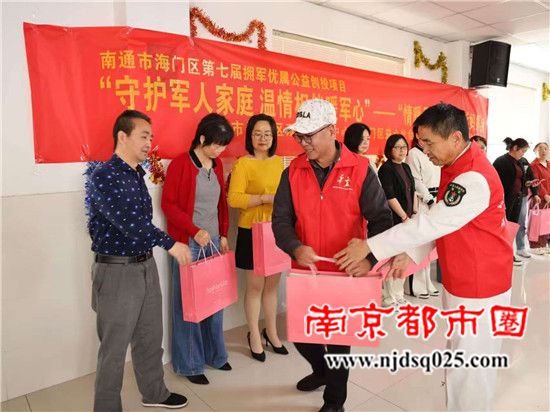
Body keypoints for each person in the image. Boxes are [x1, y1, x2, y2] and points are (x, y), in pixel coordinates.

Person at [335, 103, 514, 411]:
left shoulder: (473, 177)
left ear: (455, 138)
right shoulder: (458, 165)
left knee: (471, 372)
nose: (423, 151)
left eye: (429, 143)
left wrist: (370, 247)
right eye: (420, 143)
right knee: (461, 361)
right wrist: (411, 253)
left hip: (481, 286)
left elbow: (431, 223)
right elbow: (443, 222)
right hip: (465, 280)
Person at [272, 99, 393, 412]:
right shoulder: (293, 171)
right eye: (299, 135)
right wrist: (295, 247)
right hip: (307, 270)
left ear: (331, 131)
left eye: (309, 135)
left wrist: (369, 260)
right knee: (302, 334)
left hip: (345, 272)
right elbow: (280, 220)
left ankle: (334, 401)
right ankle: (322, 371)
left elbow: (381, 220)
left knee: (339, 340)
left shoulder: (360, 169)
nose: (303, 142)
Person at [87, 110, 191, 411]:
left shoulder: (136, 174)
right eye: (144, 136)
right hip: (117, 271)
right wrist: (170, 243)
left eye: (151, 137)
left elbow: (141, 224)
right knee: (114, 349)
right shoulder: (104, 175)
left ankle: (154, 393)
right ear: (123, 136)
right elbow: (129, 223)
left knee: (149, 337)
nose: (149, 143)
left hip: (145, 265)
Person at [161, 113, 234, 385]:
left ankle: (216, 355)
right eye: (216, 144)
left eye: (223, 145)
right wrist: (194, 231)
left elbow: (221, 204)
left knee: (214, 301)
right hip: (189, 243)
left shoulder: (217, 165)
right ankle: (190, 364)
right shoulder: (181, 164)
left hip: (213, 242)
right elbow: (169, 205)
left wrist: (223, 233)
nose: (219, 150)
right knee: (188, 305)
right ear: (202, 138)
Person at [227, 113, 287, 362]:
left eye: (268, 134)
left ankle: (271, 332)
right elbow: (234, 198)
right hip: (251, 231)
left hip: (276, 230)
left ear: (273, 137)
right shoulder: (243, 164)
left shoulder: (279, 163)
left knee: (272, 287)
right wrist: (264, 198)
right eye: (258, 133)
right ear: (250, 137)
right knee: (254, 287)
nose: (263, 138)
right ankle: (253, 334)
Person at [377, 134, 417, 307]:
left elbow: (412, 190)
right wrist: (403, 216)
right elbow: (389, 196)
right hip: (394, 219)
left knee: (404, 257)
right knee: (392, 258)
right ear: (390, 149)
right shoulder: (386, 169)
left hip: (408, 219)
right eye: (398, 147)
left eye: (404, 147)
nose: (402, 151)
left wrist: (413, 212)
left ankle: (399, 293)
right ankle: (388, 295)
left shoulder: (406, 167)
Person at [493, 137, 541, 264]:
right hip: (505, 200)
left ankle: (509, 254)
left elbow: (524, 179)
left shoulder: (522, 161)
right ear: (515, 148)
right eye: (522, 151)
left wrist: (529, 184)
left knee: (512, 226)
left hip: (518, 198)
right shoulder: (500, 162)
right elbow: (495, 182)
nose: (523, 154)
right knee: (503, 227)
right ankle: (500, 254)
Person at [406, 128, 441, 298]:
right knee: (419, 243)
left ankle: (427, 281)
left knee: (429, 244)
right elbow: (416, 181)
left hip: (436, 200)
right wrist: (429, 199)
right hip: (423, 203)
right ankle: (415, 285)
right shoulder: (413, 153)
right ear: (417, 136)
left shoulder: (434, 151)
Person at [529, 142, 550, 254]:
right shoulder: (533, 165)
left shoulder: (549, 164)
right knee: (537, 221)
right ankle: (535, 246)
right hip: (539, 197)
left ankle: (543, 244)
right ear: (535, 151)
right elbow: (537, 182)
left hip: (548, 198)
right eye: (540, 148)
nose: (543, 151)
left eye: (545, 148)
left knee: (546, 221)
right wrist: (545, 195)